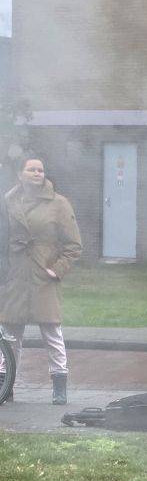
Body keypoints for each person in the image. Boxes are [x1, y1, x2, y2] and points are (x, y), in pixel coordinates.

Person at [0, 157, 83, 405]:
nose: (37, 173)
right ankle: (6, 383)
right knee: (10, 333)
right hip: (15, 274)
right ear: (21, 174)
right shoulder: (8, 202)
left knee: (51, 331)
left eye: (41, 170)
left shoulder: (59, 204)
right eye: (32, 169)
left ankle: (59, 384)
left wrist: (57, 269)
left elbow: (73, 245)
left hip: (42, 274)